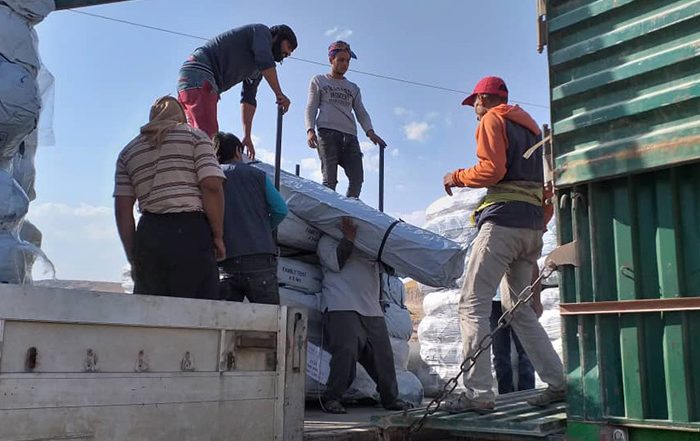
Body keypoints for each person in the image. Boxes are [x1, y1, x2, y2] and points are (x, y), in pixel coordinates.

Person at [441, 76, 564, 412]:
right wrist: (538, 223)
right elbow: (549, 186)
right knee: (518, 309)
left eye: (475, 104)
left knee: (472, 304)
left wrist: (457, 176)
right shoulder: (535, 132)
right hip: (532, 228)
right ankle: (557, 383)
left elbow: (492, 170)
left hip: (503, 226)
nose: (474, 111)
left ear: (484, 98)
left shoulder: (493, 120)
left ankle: (477, 394)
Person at [114, 96, 225, 299]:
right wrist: (217, 235)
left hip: (150, 232)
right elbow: (211, 186)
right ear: (181, 115)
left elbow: (122, 210)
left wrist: (134, 255)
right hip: (191, 231)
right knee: (197, 311)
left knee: (152, 313)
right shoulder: (196, 138)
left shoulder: (128, 152)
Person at [316, 218, 411, 414]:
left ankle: (390, 399)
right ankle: (332, 398)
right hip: (341, 305)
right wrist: (348, 238)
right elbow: (336, 262)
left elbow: (392, 269)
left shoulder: (369, 246)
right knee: (347, 351)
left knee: (383, 357)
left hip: (371, 309)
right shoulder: (326, 241)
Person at [177, 24, 297, 158]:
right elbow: (265, 60)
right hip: (201, 73)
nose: (287, 55)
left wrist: (247, 135)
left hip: (195, 80)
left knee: (194, 137)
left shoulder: (257, 70)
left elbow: (248, 98)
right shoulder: (262, 32)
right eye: (288, 47)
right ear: (278, 37)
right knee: (207, 137)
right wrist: (279, 94)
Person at [214, 131, 288, 304]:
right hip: (260, 258)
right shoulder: (257, 175)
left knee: (223, 324)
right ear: (238, 151)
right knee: (268, 323)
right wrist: (262, 228)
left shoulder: (212, 178)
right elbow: (281, 209)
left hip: (225, 260)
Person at [305, 41, 386, 198]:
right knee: (330, 180)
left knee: (357, 179)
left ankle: (348, 213)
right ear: (331, 60)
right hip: (327, 134)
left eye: (347, 61)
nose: (345, 64)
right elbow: (311, 106)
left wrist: (370, 132)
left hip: (350, 136)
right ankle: (329, 211)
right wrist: (310, 130)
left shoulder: (353, 88)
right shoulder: (319, 80)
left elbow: (361, 111)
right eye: (341, 60)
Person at [490, 282, 536, 394]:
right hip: (494, 301)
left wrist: (536, 299)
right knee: (500, 352)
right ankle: (505, 393)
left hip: (519, 300)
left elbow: (532, 268)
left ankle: (527, 391)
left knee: (526, 350)